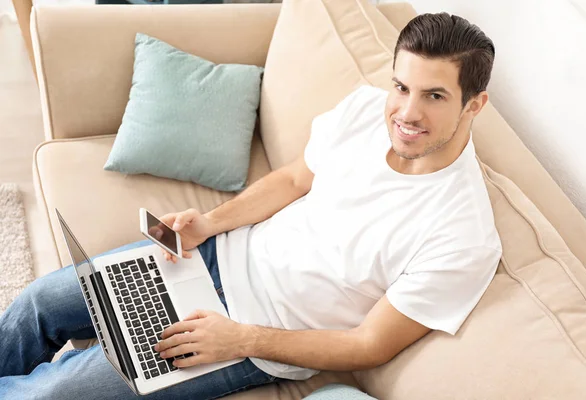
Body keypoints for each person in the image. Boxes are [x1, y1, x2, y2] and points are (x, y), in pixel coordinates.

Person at [0, 12, 502, 399]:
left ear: (474, 103)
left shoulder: (463, 235)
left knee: (51, 393)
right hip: (210, 257)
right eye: (401, 86)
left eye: (434, 96)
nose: (406, 113)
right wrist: (207, 225)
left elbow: (369, 345)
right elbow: (293, 180)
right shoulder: (368, 110)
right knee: (36, 306)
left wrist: (240, 340)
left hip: (249, 333)